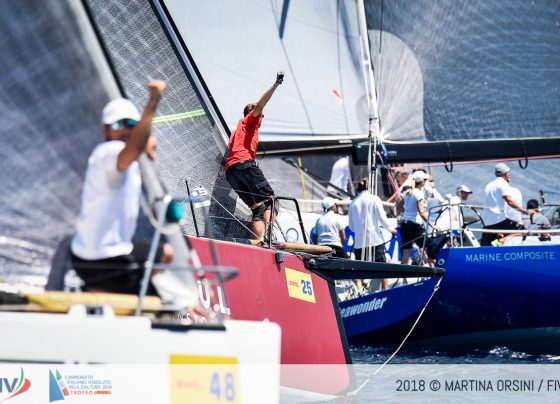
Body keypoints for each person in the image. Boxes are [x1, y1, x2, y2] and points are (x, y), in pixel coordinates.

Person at [70, 80, 173, 294]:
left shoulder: (121, 154)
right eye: (117, 125)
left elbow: (135, 146)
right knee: (157, 306)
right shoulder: (108, 151)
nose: (125, 130)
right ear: (105, 130)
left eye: (131, 125)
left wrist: (145, 145)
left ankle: (103, 294)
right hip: (103, 261)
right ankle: (116, 293)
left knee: (165, 253)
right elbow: (132, 148)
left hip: (89, 256)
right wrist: (153, 100)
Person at [225, 72, 284, 241]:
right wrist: (276, 84)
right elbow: (261, 103)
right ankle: (270, 239)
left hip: (232, 172)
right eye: (261, 114)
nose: (261, 116)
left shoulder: (237, 132)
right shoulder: (249, 121)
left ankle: (257, 243)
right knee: (272, 201)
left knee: (258, 209)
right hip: (245, 165)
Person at [348, 178, 397, 290]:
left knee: (359, 269)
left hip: (359, 242)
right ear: (369, 187)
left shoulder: (353, 203)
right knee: (382, 267)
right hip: (375, 240)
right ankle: (386, 291)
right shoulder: (374, 199)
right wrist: (391, 229)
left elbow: (351, 227)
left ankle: (359, 291)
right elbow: (382, 219)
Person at [481, 163, 535, 246]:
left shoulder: (489, 185)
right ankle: (500, 241)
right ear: (506, 174)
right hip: (498, 219)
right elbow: (509, 201)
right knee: (522, 229)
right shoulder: (503, 183)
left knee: (487, 244)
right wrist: (525, 211)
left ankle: (494, 243)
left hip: (487, 221)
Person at [400, 171, 439, 266]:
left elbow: (399, 205)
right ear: (422, 182)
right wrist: (433, 226)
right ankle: (433, 271)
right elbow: (422, 212)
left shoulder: (408, 192)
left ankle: (403, 275)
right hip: (414, 226)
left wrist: (406, 214)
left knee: (406, 252)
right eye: (425, 180)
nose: (426, 181)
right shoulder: (418, 193)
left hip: (404, 225)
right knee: (429, 247)